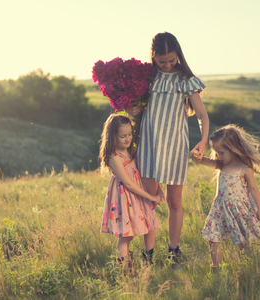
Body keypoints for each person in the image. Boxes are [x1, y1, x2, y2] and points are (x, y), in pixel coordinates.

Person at [126, 32, 209, 265]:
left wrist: (203, 141)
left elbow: (201, 114)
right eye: (162, 61)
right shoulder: (146, 77)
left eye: (172, 60)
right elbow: (132, 107)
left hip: (175, 147)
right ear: (153, 57)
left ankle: (174, 250)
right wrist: (128, 108)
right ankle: (148, 253)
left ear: (178, 54)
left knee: (174, 202)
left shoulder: (186, 79)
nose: (167, 64)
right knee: (149, 201)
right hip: (149, 146)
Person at [192, 124, 260, 273]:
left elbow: (254, 190)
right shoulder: (221, 164)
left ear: (233, 149)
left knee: (241, 240)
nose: (218, 156)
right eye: (217, 152)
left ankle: (245, 267)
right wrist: (197, 156)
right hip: (219, 209)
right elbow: (202, 161)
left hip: (238, 210)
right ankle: (216, 270)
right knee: (212, 238)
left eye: (221, 152)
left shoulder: (245, 169)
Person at [99, 114, 164, 272]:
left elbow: (142, 172)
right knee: (126, 235)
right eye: (122, 136)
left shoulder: (131, 150)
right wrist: (150, 197)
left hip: (139, 194)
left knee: (150, 225)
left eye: (130, 134)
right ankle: (123, 269)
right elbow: (128, 183)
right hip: (126, 197)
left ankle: (149, 259)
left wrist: (159, 189)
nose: (128, 139)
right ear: (112, 136)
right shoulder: (114, 156)